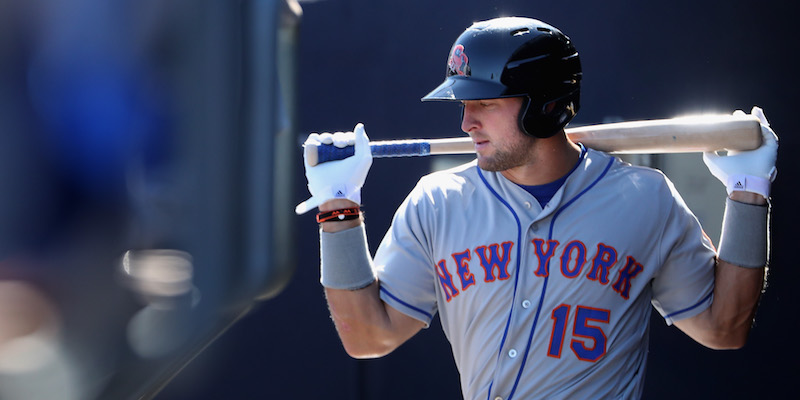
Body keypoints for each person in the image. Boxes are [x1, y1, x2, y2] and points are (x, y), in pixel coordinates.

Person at [295, 17, 777, 400]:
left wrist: (748, 192)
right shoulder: (437, 201)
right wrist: (339, 207)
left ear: (544, 105)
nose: (466, 122)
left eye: (483, 102)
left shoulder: (646, 199)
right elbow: (368, 339)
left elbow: (723, 328)